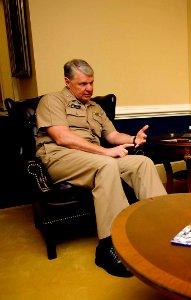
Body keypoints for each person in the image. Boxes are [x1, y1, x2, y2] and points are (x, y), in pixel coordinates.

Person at [35, 59, 167, 277]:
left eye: (92, 83)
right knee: (106, 165)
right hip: (60, 157)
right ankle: (110, 246)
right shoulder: (52, 100)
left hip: (93, 157)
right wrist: (106, 152)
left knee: (142, 162)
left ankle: (161, 223)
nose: (89, 88)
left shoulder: (95, 108)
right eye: (83, 84)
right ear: (68, 82)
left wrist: (134, 139)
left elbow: (112, 136)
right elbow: (61, 137)